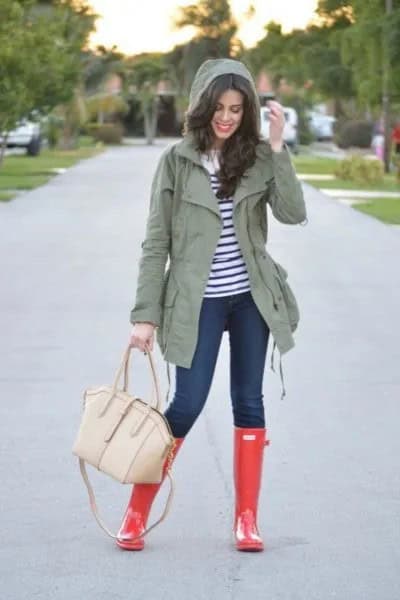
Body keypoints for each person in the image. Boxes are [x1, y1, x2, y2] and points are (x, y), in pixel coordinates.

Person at [117, 58, 307, 552]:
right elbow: (155, 242)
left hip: (249, 301)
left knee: (248, 401)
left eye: (236, 108)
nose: (226, 117)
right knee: (186, 403)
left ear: (246, 111)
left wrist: (279, 144)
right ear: (202, 106)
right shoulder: (177, 161)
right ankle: (137, 511)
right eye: (219, 107)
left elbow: (293, 212)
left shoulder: (260, 157)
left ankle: (247, 520)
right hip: (194, 301)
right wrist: (145, 315)